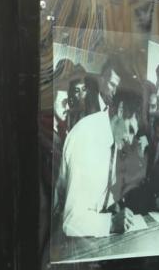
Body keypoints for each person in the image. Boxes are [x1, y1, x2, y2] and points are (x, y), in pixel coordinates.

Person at [56, 80, 142, 237]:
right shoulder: (86, 137)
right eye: (130, 129)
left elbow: (97, 192)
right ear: (121, 110)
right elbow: (71, 221)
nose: (130, 140)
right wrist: (110, 223)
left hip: (89, 234)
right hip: (65, 239)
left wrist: (113, 206)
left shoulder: (110, 135)